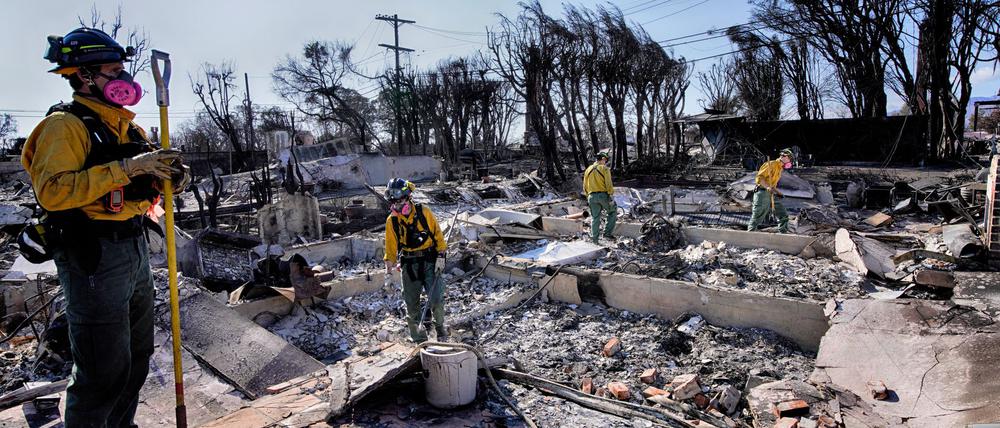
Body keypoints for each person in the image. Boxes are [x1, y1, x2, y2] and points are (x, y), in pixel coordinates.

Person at [21, 27, 190, 426]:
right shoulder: (65, 126)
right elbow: (54, 191)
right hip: (93, 253)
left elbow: (145, 183)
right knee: (102, 369)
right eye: (113, 71)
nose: (124, 80)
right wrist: (130, 167)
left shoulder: (128, 128)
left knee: (135, 358)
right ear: (84, 76)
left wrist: (170, 178)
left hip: (132, 246)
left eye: (123, 71)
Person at [382, 178, 448, 343]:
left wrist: (441, 257)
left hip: (430, 262)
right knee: (411, 305)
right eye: (393, 203)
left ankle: (440, 329)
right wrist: (388, 274)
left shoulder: (423, 212)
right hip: (409, 265)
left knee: (437, 300)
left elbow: (439, 237)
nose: (397, 206)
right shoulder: (392, 221)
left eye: (400, 201)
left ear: (408, 198)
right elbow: (390, 251)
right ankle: (420, 340)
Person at [747, 148, 794, 233]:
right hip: (762, 192)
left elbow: (772, 185)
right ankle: (750, 232)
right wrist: (768, 187)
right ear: (785, 156)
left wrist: (779, 193)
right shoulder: (771, 164)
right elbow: (760, 178)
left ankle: (783, 232)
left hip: (771, 193)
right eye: (790, 158)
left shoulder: (780, 168)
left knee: (782, 213)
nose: (790, 161)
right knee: (758, 215)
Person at [583, 150, 617, 244]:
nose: (605, 162)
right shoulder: (604, 169)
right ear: (602, 159)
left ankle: (595, 239)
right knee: (612, 211)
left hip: (591, 196)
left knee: (595, 217)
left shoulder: (588, 169)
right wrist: (610, 195)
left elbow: (585, 186)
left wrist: (588, 196)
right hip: (603, 195)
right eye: (605, 160)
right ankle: (607, 234)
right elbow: (608, 183)